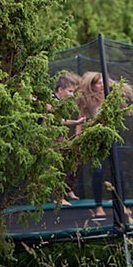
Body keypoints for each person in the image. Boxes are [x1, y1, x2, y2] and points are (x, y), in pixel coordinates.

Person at [75, 71, 133, 219]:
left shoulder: (111, 96)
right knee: (97, 172)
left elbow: (122, 107)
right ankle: (99, 206)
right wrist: (77, 138)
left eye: (103, 82)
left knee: (118, 172)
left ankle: (122, 204)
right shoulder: (88, 100)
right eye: (98, 83)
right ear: (92, 85)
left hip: (112, 137)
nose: (101, 85)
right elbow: (81, 120)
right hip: (97, 139)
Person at [50, 72, 86, 204]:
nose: (71, 95)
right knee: (58, 165)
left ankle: (67, 188)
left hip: (57, 137)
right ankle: (58, 197)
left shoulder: (59, 103)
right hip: (49, 138)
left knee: (76, 157)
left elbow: (61, 120)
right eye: (70, 91)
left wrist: (77, 123)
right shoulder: (50, 100)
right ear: (60, 90)